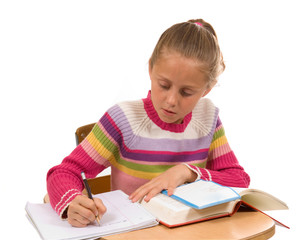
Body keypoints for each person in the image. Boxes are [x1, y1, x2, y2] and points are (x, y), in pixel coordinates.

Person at [46, 18, 250, 227]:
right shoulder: (123, 120)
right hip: (135, 233)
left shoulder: (208, 119)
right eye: (164, 85)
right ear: (151, 68)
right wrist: (72, 201)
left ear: (207, 89)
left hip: (190, 232)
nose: (171, 101)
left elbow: (239, 179)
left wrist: (187, 172)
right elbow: (63, 172)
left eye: (186, 92)